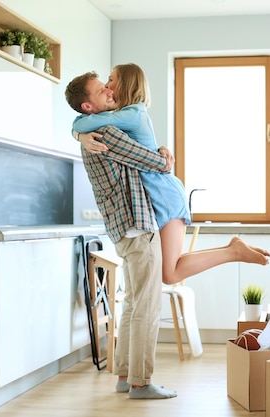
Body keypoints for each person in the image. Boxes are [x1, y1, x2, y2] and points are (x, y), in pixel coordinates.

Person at [72, 63, 270, 286]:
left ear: (125, 84)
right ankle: (232, 250)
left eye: (111, 80)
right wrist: (80, 135)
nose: (108, 87)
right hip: (160, 193)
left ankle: (233, 252)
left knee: (170, 273)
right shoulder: (128, 115)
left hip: (164, 194)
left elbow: (87, 120)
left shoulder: (132, 113)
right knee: (170, 271)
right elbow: (88, 120)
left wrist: (77, 133)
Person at [65, 72, 177, 400]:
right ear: (88, 105)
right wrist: (165, 155)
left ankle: (125, 375)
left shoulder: (95, 130)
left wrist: (76, 132)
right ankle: (141, 382)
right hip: (137, 226)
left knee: (131, 303)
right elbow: (155, 163)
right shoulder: (107, 132)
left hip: (122, 230)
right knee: (147, 305)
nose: (109, 91)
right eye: (102, 90)